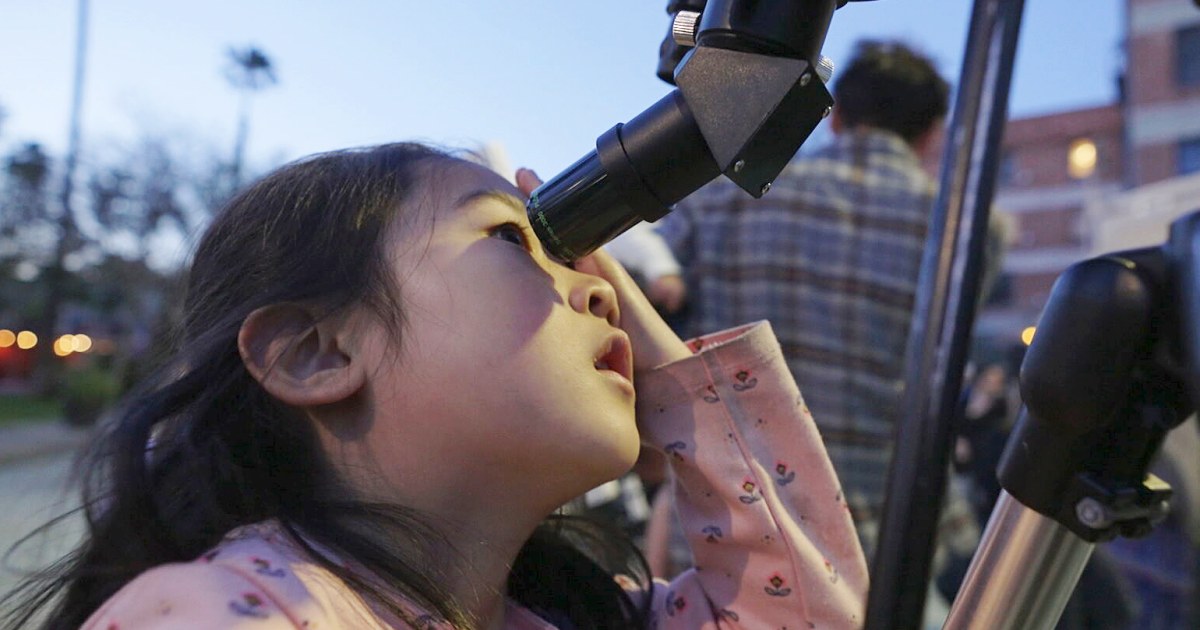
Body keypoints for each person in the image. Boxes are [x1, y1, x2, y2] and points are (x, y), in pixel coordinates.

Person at [1, 143, 866, 629]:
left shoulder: (579, 618)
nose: (600, 288)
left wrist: (680, 378)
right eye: (512, 241)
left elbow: (800, 613)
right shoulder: (232, 615)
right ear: (314, 353)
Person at [656, 40, 955, 560]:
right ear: (931, 135)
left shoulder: (725, 193)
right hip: (873, 543)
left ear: (834, 116)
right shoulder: (960, 229)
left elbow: (650, 275)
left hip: (725, 536)